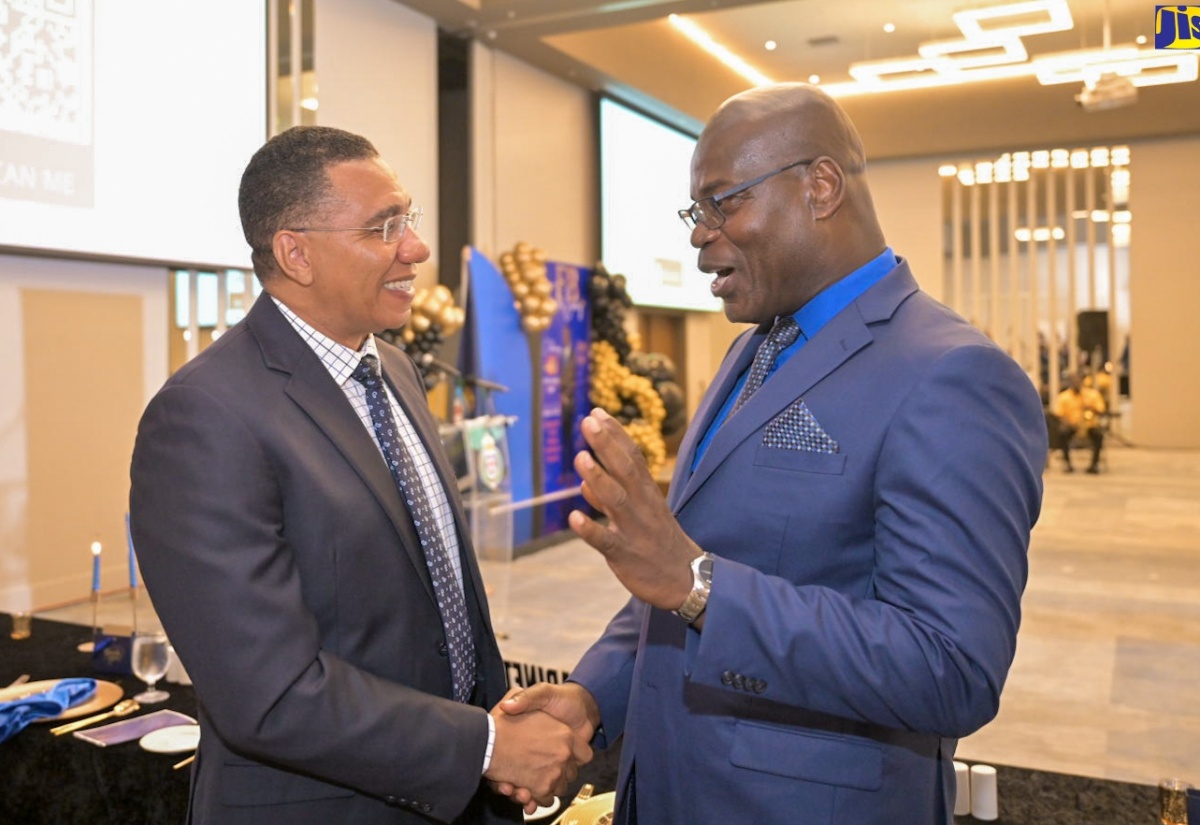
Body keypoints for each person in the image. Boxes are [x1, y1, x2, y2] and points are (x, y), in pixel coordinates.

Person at [496, 83, 1048, 824]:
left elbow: (950, 668)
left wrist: (699, 585)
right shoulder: (751, 352)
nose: (700, 233)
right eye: (697, 211)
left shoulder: (951, 374)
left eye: (723, 202)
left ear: (819, 187)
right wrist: (595, 694)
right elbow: (681, 576)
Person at [129, 125, 590, 825]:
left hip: (459, 794)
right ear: (295, 252)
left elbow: (436, 602)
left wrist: (500, 735)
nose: (416, 248)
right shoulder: (204, 416)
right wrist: (487, 745)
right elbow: (270, 693)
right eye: (384, 228)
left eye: (409, 218)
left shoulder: (395, 369)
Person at [1052, 371, 1106, 473]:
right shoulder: (1064, 397)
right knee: (1063, 435)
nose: (1076, 383)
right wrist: (1068, 423)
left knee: (1098, 436)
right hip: (1072, 425)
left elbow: (1101, 410)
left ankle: (1094, 465)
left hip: (1089, 425)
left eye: (1078, 381)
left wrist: (1091, 408)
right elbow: (1059, 415)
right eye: (1073, 381)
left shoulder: (1092, 394)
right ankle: (1067, 464)